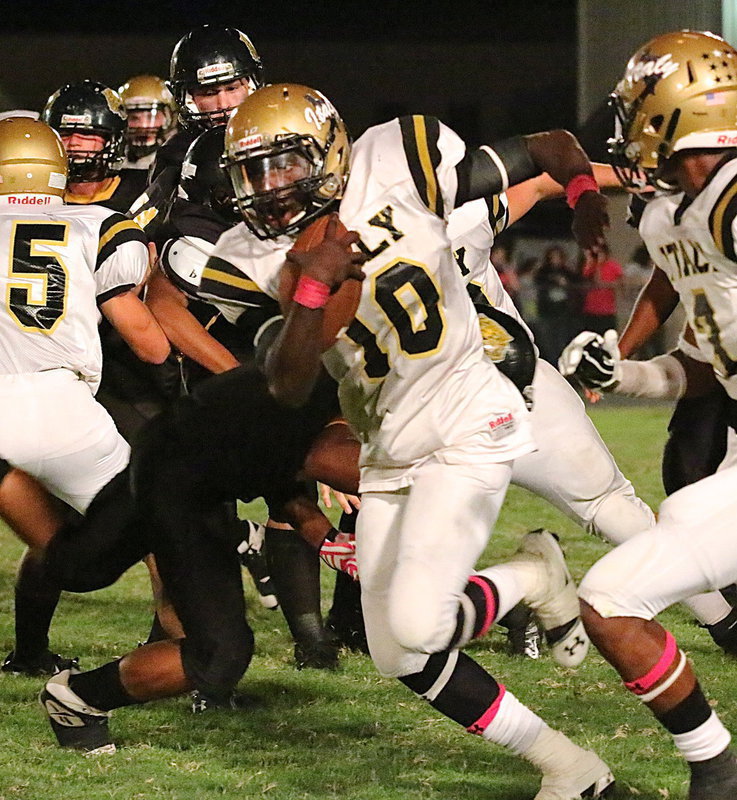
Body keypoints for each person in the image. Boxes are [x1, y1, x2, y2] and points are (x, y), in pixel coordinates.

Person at [195, 83, 615, 798]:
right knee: (398, 654)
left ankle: (532, 578)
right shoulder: (249, 256)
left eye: (284, 165)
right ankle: (569, 765)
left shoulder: (395, 158)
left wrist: (580, 192)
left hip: (466, 413)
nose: (268, 188)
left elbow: (547, 147)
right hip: (387, 443)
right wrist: (310, 290)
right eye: (254, 172)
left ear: (326, 153)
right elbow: (288, 384)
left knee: (419, 624)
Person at [560, 29, 737, 798]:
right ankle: (717, 769)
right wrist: (621, 371)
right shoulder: (680, 216)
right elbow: (705, 370)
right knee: (608, 600)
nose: (628, 125)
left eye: (637, 107)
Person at [0, 116, 169, 674]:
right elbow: (149, 344)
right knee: (162, 530)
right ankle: (200, 670)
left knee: (55, 530)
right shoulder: (97, 224)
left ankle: (28, 655)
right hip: (59, 412)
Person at [130, 24, 264, 238]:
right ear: (188, 98)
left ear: (252, 85)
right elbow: (146, 230)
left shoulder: (279, 135)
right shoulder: (177, 154)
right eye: (209, 93)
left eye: (232, 89)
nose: (223, 104)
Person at [118, 75, 176, 174]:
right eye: (134, 118)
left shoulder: (179, 160)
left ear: (169, 118)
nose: (142, 126)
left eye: (150, 117)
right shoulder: (114, 163)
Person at [534, 245, 580, 365]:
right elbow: (538, 280)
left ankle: (562, 363)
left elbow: (577, 281)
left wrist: (566, 282)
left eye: (558, 257)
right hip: (547, 310)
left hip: (563, 309)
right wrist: (553, 280)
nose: (555, 260)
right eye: (553, 257)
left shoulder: (566, 271)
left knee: (562, 339)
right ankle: (551, 363)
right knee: (548, 341)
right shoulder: (544, 271)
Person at [579, 242, 622, 335]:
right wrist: (596, 265)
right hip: (591, 310)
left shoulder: (613, 265)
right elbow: (593, 280)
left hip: (607, 311)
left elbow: (620, 283)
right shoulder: (590, 266)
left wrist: (607, 285)